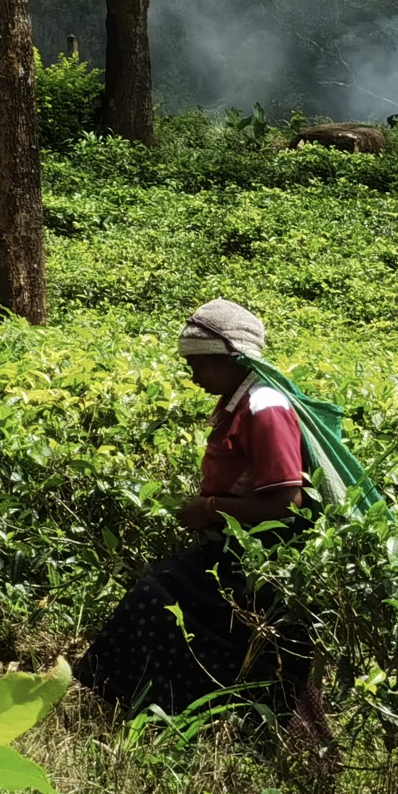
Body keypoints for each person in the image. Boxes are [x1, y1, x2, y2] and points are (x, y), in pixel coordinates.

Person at [75, 300, 327, 726]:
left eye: (202, 366)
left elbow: (286, 502)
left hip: (266, 555)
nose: (194, 377)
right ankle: (170, 711)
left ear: (234, 360)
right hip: (235, 543)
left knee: (156, 596)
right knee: (163, 599)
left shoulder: (265, 407)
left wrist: (209, 509)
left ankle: (172, 709)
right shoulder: (239, 398)